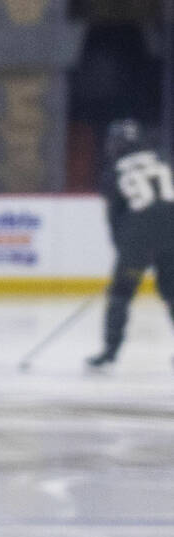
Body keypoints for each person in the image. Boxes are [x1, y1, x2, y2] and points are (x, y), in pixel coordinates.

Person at [86, 118, 174, 369]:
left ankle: (109, 352)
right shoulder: (163, 158)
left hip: (138, 241)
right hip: (172, 234)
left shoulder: (113, 172)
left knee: (120, 296)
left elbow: (114, 217)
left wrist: (124, 250)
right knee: (173, 294)